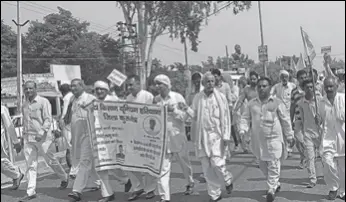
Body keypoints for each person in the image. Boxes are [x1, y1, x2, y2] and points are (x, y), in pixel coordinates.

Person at [239, 77, 295, 202]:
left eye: (264, 86)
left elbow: (285, 120)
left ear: (270, 88)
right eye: (259, 86)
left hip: (274, 139)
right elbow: (245, 118)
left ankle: (271, 189)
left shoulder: (277, 102)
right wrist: (243, 130)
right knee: (263, 166)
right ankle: (275, 183)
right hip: (258, 141)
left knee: (274, 163)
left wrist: (290, 135)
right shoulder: (252, 103)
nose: (261, 88)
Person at [181, 72, 234, 202]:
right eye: (207, 81)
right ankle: (214, 194)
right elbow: (195, 115)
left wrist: (226, 135)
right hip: (203, 135)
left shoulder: (220, 97)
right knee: (207, 167)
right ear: (203, 83)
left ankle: (227, 179)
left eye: (212, 81)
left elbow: (226, 118)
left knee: (217, 163)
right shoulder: (198, 98)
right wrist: (186, 109)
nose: (210, 84)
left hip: (217, 135)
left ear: (214, 83)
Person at [20, 81, 68, 202]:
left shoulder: (43, 102)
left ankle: (64, 177)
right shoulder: (24, 104)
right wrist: (22, 136)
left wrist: (42, 131)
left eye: (31, 88)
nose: (28, 91)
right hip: (28, 138)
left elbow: (48, 118)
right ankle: (30, 192)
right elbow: (25, 122)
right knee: (31, 165)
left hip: (43, 138)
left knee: (50, 161)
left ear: (35, 89)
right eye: (26, 89)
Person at [153, 74, 195, 202]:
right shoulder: (156, 100)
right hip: (162, 138)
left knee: (183, 162)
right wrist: (163, 110)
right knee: (163, 168)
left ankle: (190, 182)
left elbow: (185, 117)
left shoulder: (177, 97)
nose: (157, 86)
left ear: (166, 85)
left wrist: (173, 111)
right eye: (156, 84)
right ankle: (164, 197)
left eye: (159, 83)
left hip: (177, 136)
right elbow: (153, 118)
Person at [93, 80, 132, 202]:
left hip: (113, 138)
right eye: (97, 89)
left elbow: (126, 113)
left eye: (102, 89)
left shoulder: (114, 101)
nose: (99, 91)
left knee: (114, 165)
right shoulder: (93, 103)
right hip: (98, 139)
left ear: (107, 90)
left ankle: (126, 180)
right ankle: (107, 194)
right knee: (101, 167)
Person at [67, 79, 101, 202]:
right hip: (77, 136)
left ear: (82, 86)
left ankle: (76, 191)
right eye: (71, 86)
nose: (72, 88)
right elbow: (71, 118)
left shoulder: (91, 98)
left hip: (89, 135)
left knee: (84, 162)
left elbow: (98, 115)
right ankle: (124, 180)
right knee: (91, 162)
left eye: (75, 86)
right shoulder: (73, 100)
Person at [125, 75, 157, 201]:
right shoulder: (128, 98)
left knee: (147, 164)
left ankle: (150, 189)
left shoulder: (147, 96)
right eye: (128, 85)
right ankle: (138, 187)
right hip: (132, 134)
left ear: (138, 84)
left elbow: (152, 114)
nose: (129, 87)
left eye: (131, 85)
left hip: (146, 134)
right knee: (129, 163)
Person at [316, 77, 345, 200]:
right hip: (328, 139)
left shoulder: (343, 99)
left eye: (331, 86)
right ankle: (333, 187)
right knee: (328, 164)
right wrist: (317, 120)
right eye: (326, 86)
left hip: (342, 138)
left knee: (343, 169)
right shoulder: (321, 102)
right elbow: (320, 120)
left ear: (336, 86)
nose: (328, 89)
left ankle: (343, 191)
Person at [294, 79, 323, 188]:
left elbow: (326, 116)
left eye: (312, 87)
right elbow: (300, 118)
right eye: (307, 87)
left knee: (325, 157)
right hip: (308, 134)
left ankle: (328, 176)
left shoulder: (319, 100)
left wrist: (321, 119)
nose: (310, 89)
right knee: (310, 157)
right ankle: (312, 179)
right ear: (303, 89)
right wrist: (298, 132)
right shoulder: (301, 103)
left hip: (321, 133)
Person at [211, 69, 238, 153]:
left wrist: (230, 109)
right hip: (214, 112)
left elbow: (229, 98)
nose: (215, 78)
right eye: (213, 77)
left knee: (227, 131)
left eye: (216, 76)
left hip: (225, 111)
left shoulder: (225, 86)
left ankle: (227, 150)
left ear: (219, 77)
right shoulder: (211, 87)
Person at [271, 70, 296, 158]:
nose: (284, 78)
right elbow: (270, 94)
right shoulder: (277, 87)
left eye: (285, 77)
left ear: (288, 78)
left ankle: (290, 147)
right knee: (281, 132)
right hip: (280, 112)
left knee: (290, 131)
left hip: (291, 113)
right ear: (280, 78)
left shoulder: (292, 86)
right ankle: (286, 149)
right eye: (282, 77)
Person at [1, 103, 24, 190]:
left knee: (2, 161)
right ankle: (16, 173)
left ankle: (16, 174)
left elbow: (9, 125)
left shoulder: (2, 109)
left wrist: (16, 141)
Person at [290, 69, 309, 169]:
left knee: (309, 140)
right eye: (301, 78)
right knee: (299, 140)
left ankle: (306, 158)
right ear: (297, 79)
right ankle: (304, 156)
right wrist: (290, 119)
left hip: (309, 119)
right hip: (298, 118)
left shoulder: (310, 89)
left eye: (305, 77)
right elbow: (292, 106)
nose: (303, 79)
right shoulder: (294, 91)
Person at [58, 83, 73, 174]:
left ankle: (72, 167)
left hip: (68, 123)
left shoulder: (67, 98)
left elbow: (64, 112)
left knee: (69, 146)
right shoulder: (74, 96)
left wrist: (61, 120)